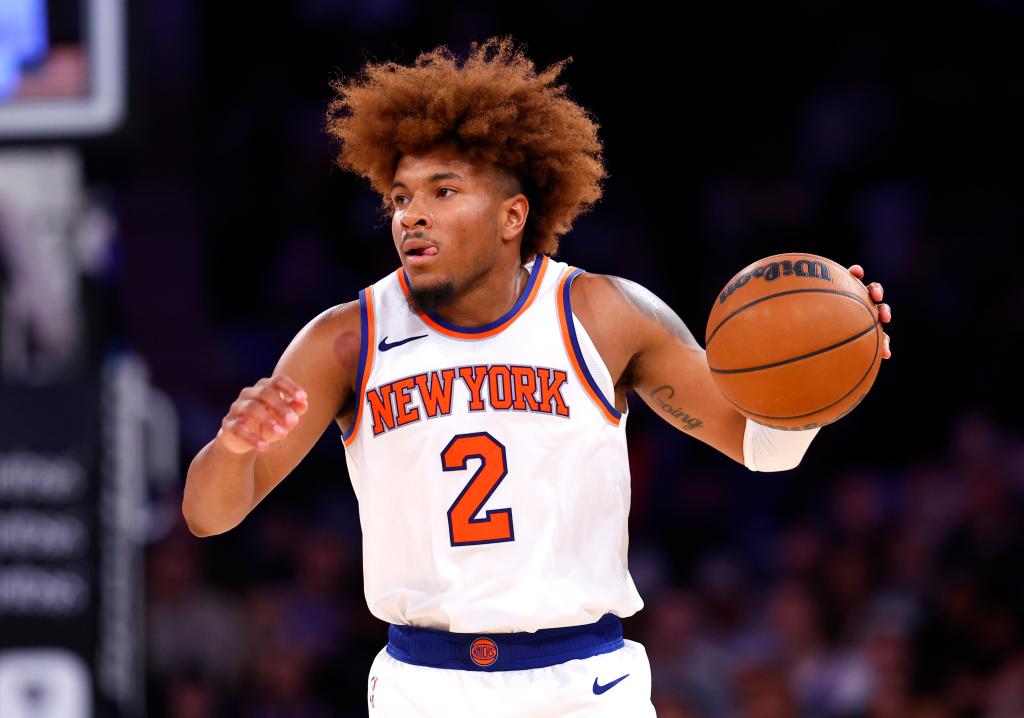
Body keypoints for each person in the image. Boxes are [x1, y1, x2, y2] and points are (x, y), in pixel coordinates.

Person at [182, 36, 893, 717]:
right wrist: (233, 447)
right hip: (424, 689)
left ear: (511, 215)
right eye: (400, 197)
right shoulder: (347, 338)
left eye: (442, 191)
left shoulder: (604, 315)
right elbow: (208, 515)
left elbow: (761, 447)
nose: (411, 215)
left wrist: (816, 378)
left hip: (583, 686)